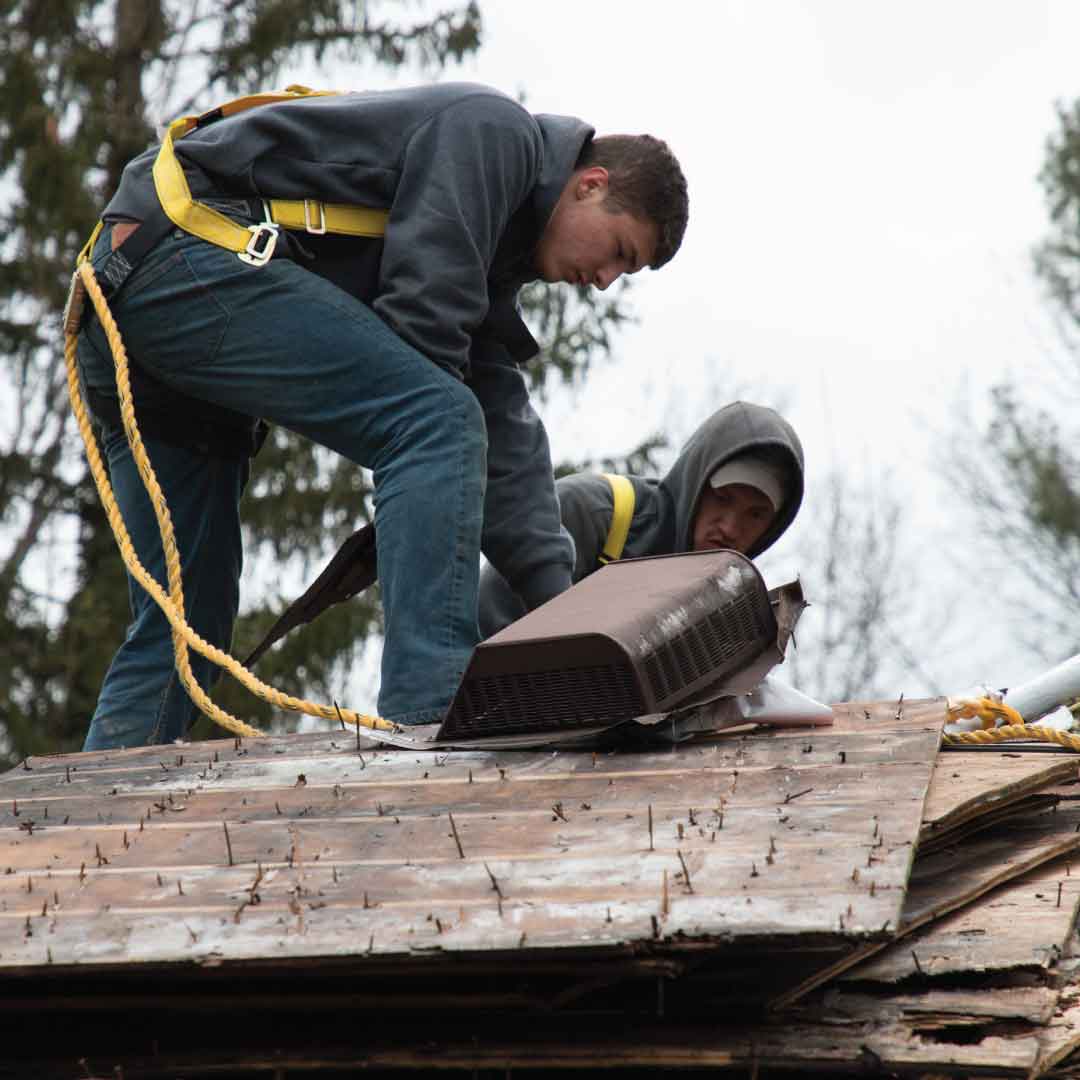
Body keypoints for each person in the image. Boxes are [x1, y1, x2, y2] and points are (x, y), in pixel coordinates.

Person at [74, 82, 688, 750]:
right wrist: (431, 489)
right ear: (591, 184)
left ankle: (95, 810)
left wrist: (565, 609)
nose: (602, 281)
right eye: (620, 254)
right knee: (438, 418)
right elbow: (429, 346)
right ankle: (433, 700)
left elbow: (503, 429)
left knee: (187, 621)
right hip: (187, 257)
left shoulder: (487, 255)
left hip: (133, 293)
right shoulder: (496, 135)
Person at [478, 401, 803, 637]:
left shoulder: (728, 609)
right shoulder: (592, 513)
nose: (731, 527)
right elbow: (485, 628)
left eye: (755, 514)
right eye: (722, 498)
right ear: (695, 481)